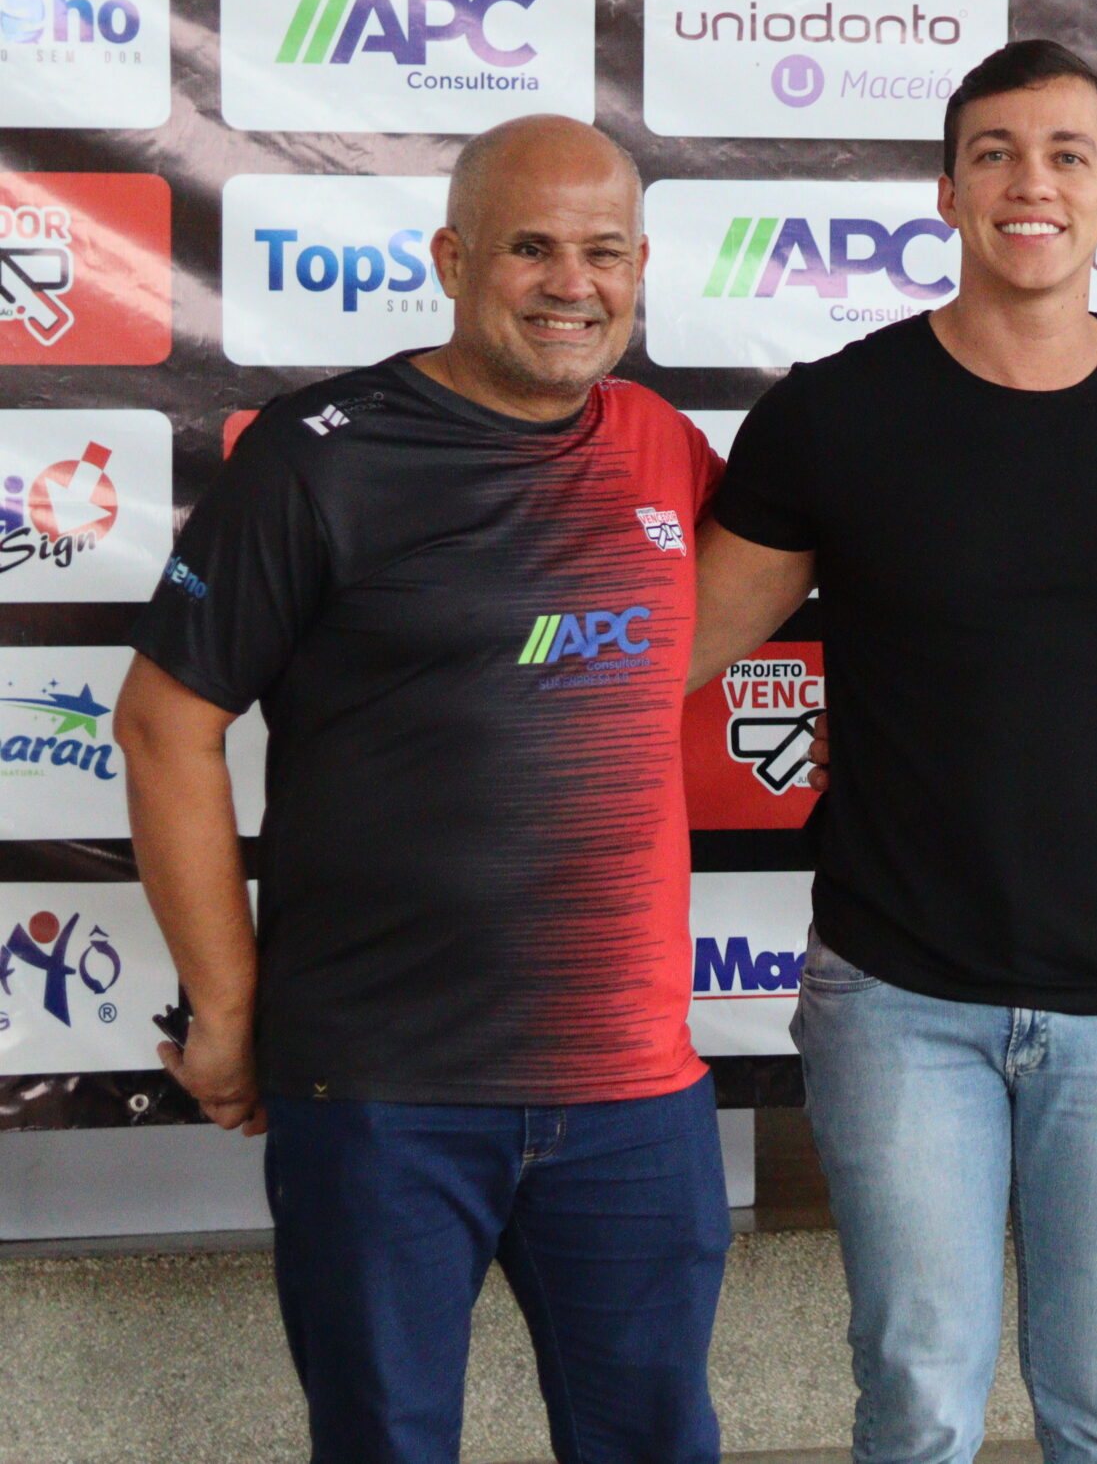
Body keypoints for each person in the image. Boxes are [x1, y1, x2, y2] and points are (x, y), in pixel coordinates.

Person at [116, 116, 729, 1464]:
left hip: (631, 1093)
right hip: (380, 1092)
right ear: (453, 260)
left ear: (640, 268)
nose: (571, 283)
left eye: (603, 252)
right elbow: (164, 725)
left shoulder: (662, 445)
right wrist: (227, 1008)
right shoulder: (317, 453)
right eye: (530, 248)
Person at [688, 40, 1097, 1464]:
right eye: (994, 153)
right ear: (946, 191)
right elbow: (673, 649)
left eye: (1067, 154)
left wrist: (1062, 706)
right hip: (898, 995)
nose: (1029, 182)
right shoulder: (833, 410)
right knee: (918, 1406)